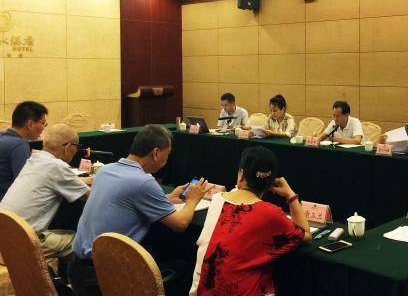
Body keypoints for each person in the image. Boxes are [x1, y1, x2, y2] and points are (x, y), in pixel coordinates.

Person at [69, 124, 210, 296]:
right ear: (156, 153)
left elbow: (125, 203)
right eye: (167, 154)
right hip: (103, 276)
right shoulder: (143, 182)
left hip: (77, 268)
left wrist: (167, 198)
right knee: (183, 266)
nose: (167, 159)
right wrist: (193, 199)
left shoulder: (106, 170)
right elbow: (180, 224)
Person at [189, 146, 311, 295]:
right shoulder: (270, 213)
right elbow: (306, 235)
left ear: (241, 174)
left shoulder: (217, 199)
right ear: (271, 182)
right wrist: (290, 195)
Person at [0, 124, 91, 260]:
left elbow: (53, 180)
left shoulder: (35, 159)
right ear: (68, 148)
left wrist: (83, 181)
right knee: (83, 241)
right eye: (77, 147)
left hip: (5, 234)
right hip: (21, 244)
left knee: (65, 234)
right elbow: (92, 198)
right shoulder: (57, 167)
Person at [0, 101, 48, 200]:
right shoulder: (19, 145)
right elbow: (26, 185)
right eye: (43, 123)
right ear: (30, 124)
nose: (43, 128)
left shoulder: (3, 136)